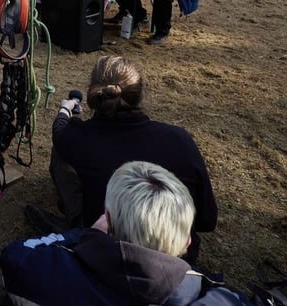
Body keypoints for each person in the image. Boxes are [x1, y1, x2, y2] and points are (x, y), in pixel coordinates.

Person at [45, 55, 217, 263]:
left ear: (94, 94)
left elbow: (59, 132)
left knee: (61, 153)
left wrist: (65, 109)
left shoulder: (78, 137)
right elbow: (207, 220)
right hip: (176, 259)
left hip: (107, 254)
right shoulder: (179, 139)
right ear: (142, 94)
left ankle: (77, 221)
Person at [2, 161, 246, 306]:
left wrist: (82, 234)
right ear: (188, 240)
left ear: (106, 221)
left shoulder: (49, 271)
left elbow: (13, 256)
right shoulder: (222, 298)